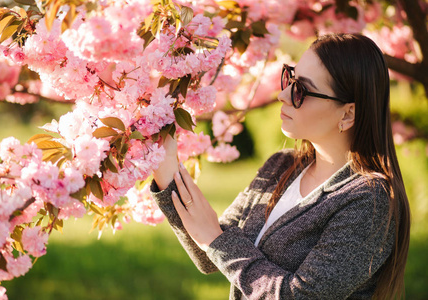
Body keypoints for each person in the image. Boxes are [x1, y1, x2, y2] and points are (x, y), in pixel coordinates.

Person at [151, 33, 410, 299]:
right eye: (290, 78)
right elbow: (210, 254)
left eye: (302, 90)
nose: (282, 95)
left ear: (347, 114)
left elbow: (297, 295)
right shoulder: (281, 165)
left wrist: (216, 241)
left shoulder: (369, 200)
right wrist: (164, 163)